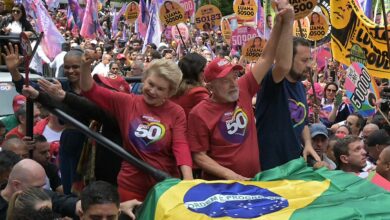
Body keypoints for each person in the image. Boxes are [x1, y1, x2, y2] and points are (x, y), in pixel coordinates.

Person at [188, 1, 297, 180]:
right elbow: (199, 155)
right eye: (224, 80)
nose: (232, 83)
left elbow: (266, 58)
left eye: (233, 76)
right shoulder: (198, 114)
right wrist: (232, 176)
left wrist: (278, 24)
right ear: (210, 87)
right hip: (221, 188)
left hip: (254, 181)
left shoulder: (243, 88)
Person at [80, 53, 193, 201]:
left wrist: (188, 179)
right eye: (150, 84)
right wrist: (85, 67)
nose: (152, 91)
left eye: (160, 89)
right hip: (131, 185)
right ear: (144, 79)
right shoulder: (126, 102)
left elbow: (181, 145)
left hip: (165, 186)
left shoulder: (176, 112)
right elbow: (90, 91)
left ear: (170, 92)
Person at [255, 36, 321, 171]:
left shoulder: (300, 87)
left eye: (309, 59)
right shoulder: (273, 81)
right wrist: (287, 20)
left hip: (294, 166)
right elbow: (281, 66)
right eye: (304, 60)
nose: (309, 65)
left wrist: (307, 143)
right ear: (288, 59)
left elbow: (302, 123)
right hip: (269, 168)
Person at [0, 159, 79, 219]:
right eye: (37, 187)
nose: (42, 191)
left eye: (43, 186)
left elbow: (68, 203)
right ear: (16, 185)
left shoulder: (44, 195)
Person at [171, 53, 209, 117]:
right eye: (204, 70)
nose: (205, 73)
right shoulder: (198, 93)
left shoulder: (173, 87)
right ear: (196, 71)